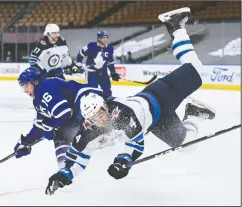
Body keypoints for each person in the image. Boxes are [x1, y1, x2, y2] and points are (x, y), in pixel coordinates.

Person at [44, 7, 216, 195]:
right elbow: (80, 156)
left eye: (100, 114)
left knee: (197, 70)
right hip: (157, 122)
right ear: (87, 119)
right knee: (188, 146)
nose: (99, 120)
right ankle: (193, 113)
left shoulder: (121, 113)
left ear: (105, 106)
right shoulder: (88, 129)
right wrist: (65, 174)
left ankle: (176, 27)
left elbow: (137, 144)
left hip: (161, 95)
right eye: (94, 118)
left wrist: (123, 160)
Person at [13, 67, 106, 170]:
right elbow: (41, 124)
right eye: (24, 87)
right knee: (61, 131)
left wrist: (50, 125)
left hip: (88, 99)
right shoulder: (38, 100)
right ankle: (66, 167)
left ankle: (67, 167)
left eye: (26, 86)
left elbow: (64, 113)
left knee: (61, 129)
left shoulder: (43, 87)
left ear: (35, 82)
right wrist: (26, 141)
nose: (26, 91)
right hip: (82, 107)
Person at [76, 31, 121, 98]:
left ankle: (108, 106)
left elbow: (110, 62)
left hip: (103, 73)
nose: (105, 39)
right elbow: (80, 54)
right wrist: (79, 64)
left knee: (107, 91)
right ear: (99, 39)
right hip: (92, 74)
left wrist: (113, 72)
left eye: (106, 37)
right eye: (103, 38)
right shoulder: (91, 46)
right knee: (92, 92)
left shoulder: (109, 48)